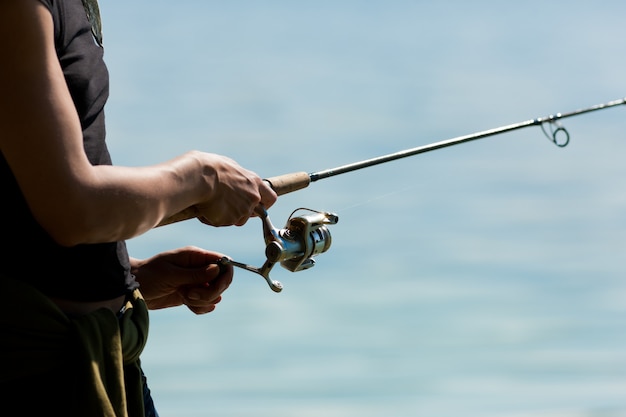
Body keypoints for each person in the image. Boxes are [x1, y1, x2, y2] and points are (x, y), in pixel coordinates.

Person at [0, 0, 277, 416]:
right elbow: (71, 208)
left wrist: (131, 278)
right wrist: (203, 178)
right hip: (36, 383)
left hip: (97, 362)